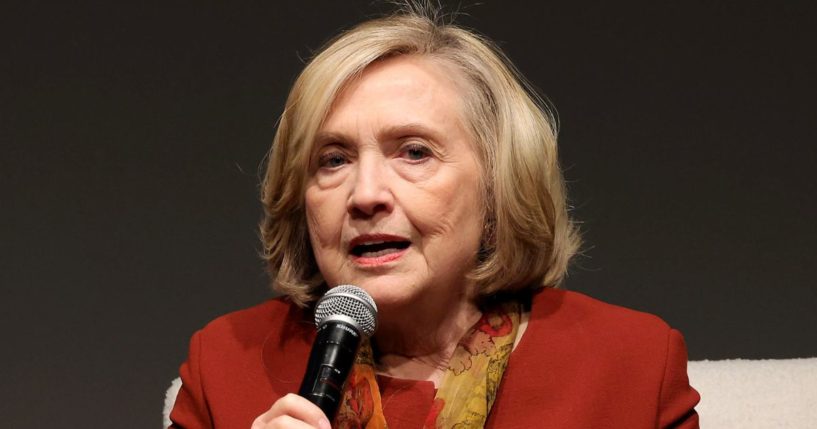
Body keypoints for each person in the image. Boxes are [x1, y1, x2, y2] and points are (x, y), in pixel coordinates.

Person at [169, 4, 700, 429]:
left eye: (414, 152)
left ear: (496, 190)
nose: (366, 194)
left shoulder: (629, 365)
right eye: (333, 160)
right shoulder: (225, 365)